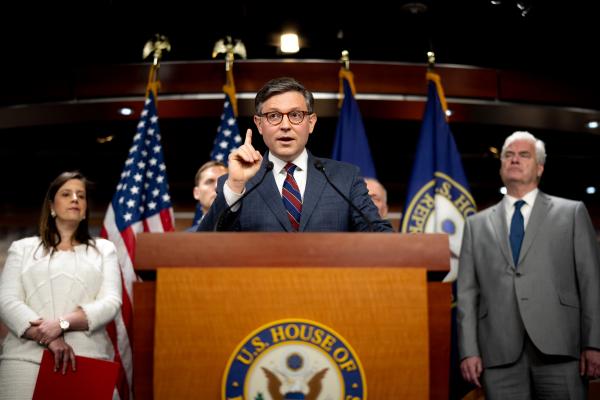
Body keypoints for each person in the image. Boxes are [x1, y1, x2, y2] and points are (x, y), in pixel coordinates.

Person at [457, 131, 600, 399]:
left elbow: (591, 282)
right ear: (500, 167)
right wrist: (469, 350)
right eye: (508, 155)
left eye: (524, 155)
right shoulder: (475, 225)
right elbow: (466, 294)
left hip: (562, 350)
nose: (514, 160)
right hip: (497, 354)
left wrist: (594, 343)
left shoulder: (571, 213)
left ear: (540, 167)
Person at [198, 77, 392, 232]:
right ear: (259, 124)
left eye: (295, 115)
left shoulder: (345, 178)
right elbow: (205, 246)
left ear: (311, 123)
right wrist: (235, 186)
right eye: (273, 116)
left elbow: (378, 235)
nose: (285, 126)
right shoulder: (233, 183)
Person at [0, 171, 122, 400]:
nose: (75, 199)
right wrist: (50, 337)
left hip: (89, 360)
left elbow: (111, 302)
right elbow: (7, 301)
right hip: (25, 362)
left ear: (85, 209)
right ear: (52, 206)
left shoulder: (105, 249)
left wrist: (62, 324)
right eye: (66, 194)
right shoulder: (22, 248)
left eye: (81, 196)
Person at [187, 160, 227, 231]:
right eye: (209, 181)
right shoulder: (185, 238)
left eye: (223, 181)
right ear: (196, 193)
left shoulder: (249, 232)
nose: (217, 186)